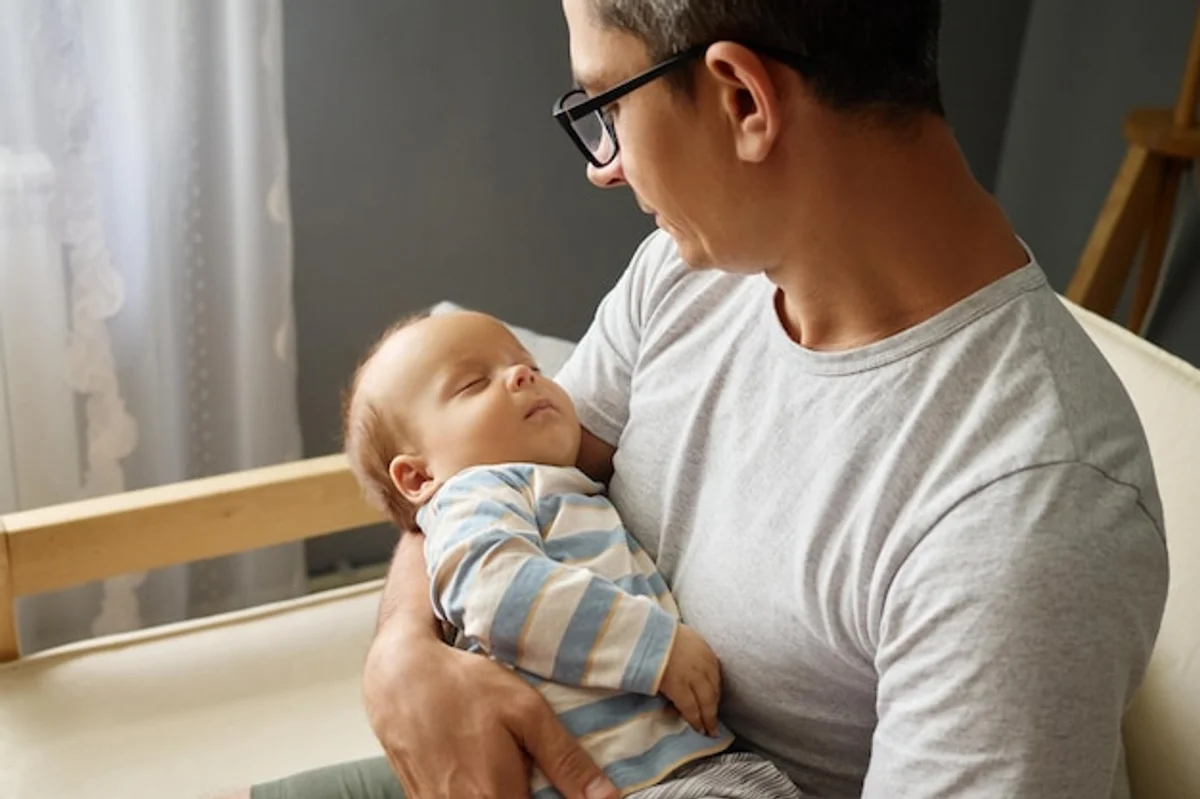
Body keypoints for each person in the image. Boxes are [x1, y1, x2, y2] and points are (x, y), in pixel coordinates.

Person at [237, 0, 1170, 797]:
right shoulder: (691, 275)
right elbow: (478, 479)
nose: (603, 167)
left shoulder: (1024, 509)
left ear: (742, 99)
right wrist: (403, 649)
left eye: (604, 103)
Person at [332, 308, 801, 799]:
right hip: (616, 780)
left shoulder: (555, 487)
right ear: (418, 477)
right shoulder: (478, 493)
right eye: (473, 384)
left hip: (685, 765)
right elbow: (497, 592)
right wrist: (653, 647)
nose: (522, 375)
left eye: (529, 365)